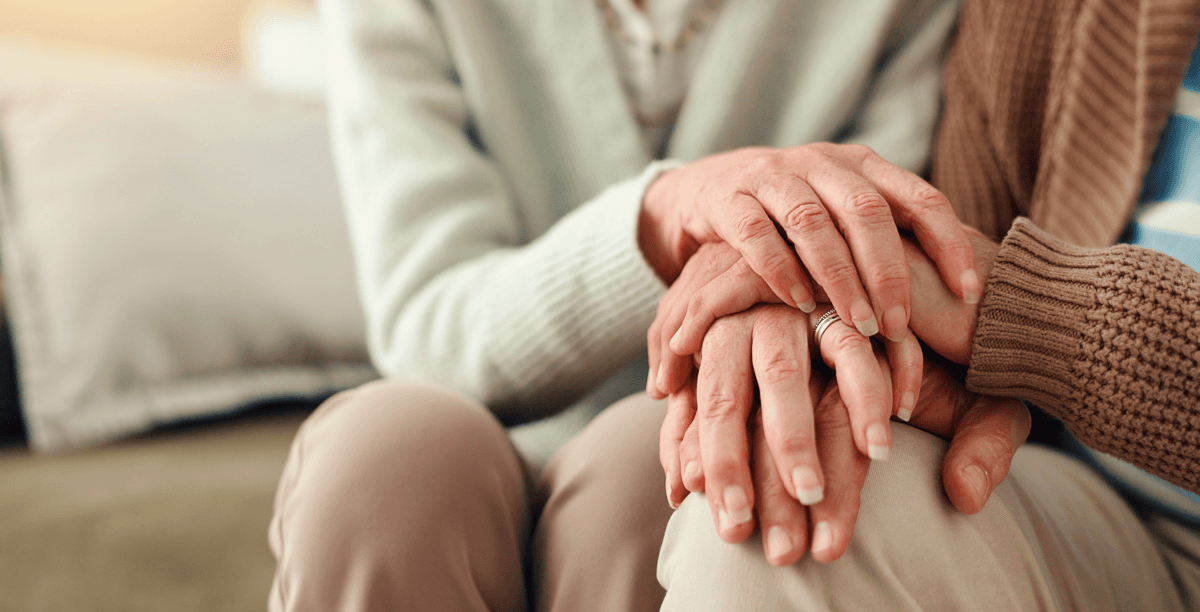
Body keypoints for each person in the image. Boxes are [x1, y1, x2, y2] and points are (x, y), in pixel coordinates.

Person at [266, 0, 1006, 610]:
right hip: (484, 423)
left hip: (742, 402)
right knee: (384, 462)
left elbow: (883, 249)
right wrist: (666, 216)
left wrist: (766, 278)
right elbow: (428, 322)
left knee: (653, 476)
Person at [648, 0, 1200, 608]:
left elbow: (988, 299)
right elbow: (940, 269)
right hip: (1107, 512)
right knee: (735, 481)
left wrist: (1036, 311)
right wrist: (797, 282)